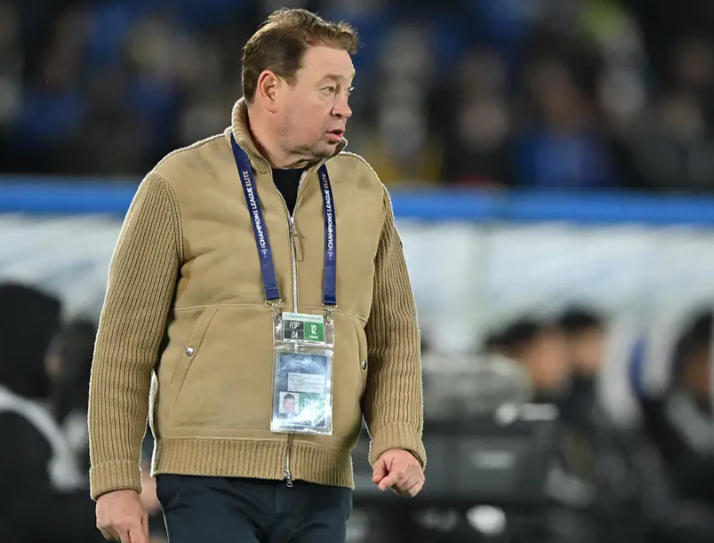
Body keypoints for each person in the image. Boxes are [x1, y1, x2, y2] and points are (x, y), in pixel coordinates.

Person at [89, 8, 426, 543]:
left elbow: (395, 337)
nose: (345, 106)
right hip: (207, 479)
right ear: (270, 88)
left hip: (322, 481)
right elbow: (123, 347)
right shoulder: (179, 184)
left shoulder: (364, 191)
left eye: (348, 90)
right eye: (328, 89)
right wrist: (114, 480)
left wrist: (400, 438)